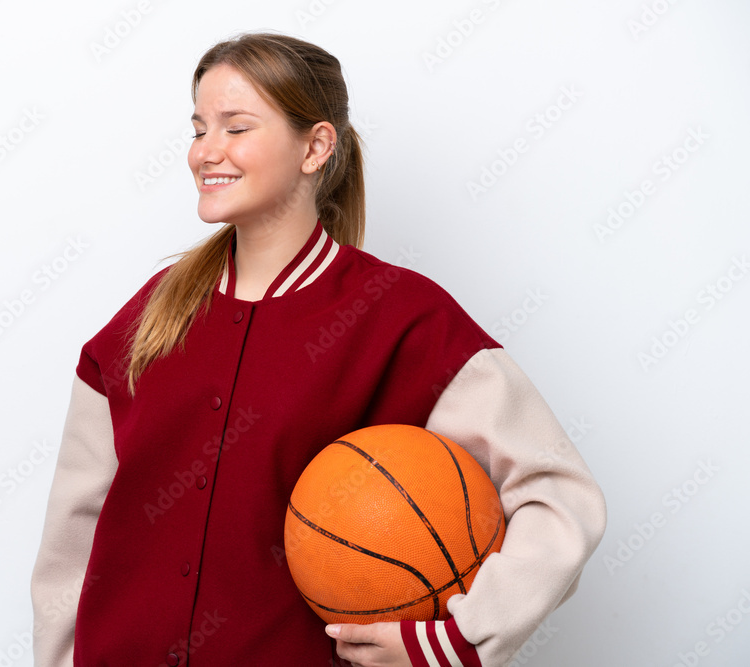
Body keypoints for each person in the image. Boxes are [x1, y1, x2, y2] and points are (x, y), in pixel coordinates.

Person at [30, 30, 606, 667]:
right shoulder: (144, 320)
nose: (205, 153)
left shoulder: (404, 319)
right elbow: (70, 541)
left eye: (236, 127)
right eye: (198, 129)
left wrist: (454, 639)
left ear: (316, 146)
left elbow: (560, 496)